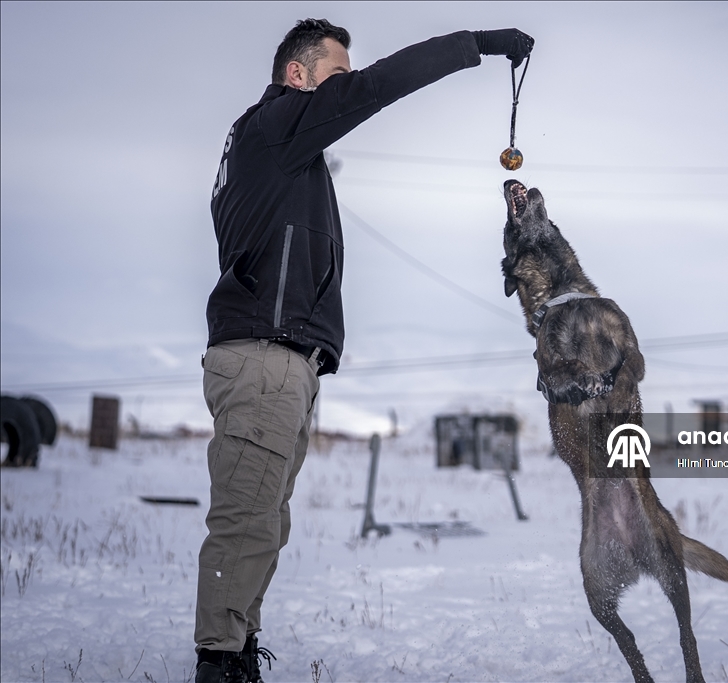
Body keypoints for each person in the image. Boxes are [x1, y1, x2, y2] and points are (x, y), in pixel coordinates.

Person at [195, 19, 534, 683]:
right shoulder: (277, 123)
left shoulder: (275, 148)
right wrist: (479, 44)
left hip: (282, 358)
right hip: (263, 355)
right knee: (247, 522)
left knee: (267, 522)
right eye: (336, 73)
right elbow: (378, 88)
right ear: (297, 75)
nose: (347, 86)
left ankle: (235, 655)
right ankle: (219, 663)